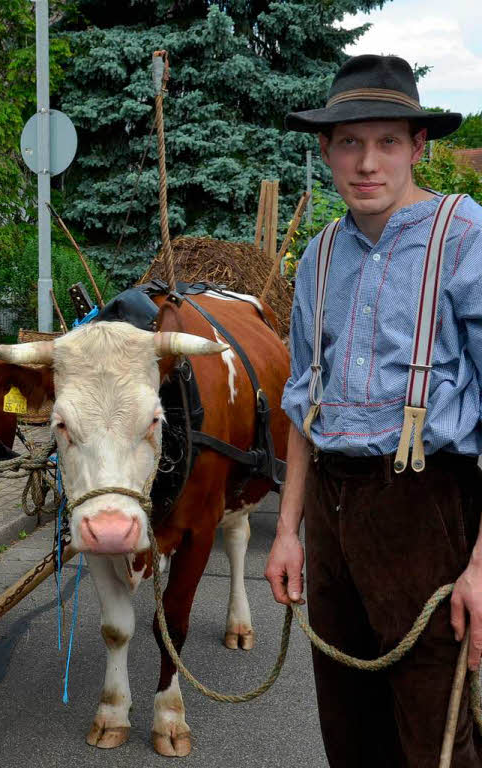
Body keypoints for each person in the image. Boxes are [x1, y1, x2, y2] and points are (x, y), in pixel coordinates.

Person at [265, 54, 482, 766]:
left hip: (429, 508)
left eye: (387, 141)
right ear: (325, 150)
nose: (367, 163)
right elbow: (306, 404)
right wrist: (288, 531)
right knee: (349, 728)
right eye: (349, 143)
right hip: (331, 511)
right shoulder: (320, 256)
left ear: (419, 147)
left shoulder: (465, 238)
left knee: (437, 733)